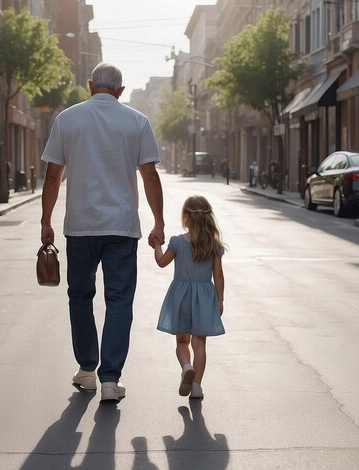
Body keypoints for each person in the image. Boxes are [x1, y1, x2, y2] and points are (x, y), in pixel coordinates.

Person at [40, 62, 165, 402]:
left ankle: (86, 369)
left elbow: (53, 176)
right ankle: (110, 379)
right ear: (121, 91)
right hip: (122, 228)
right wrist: (159, 221)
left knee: (80, 298)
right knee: (119, 301)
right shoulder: (137, 121)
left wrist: (46, 220)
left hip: (80, 226)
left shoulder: (67, 119)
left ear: (90, 84)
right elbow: (149, 175)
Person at [151, 195, 225, 399]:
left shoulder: (176, 242)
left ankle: (185, 366)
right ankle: (197, 386)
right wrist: (220, 299)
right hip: (204, 298)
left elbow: (162, 262)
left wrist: (157, 245)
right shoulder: (213, 245)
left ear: (186, 217)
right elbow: (218, 275)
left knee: (182, 342)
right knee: (199, 344)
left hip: (181, 297)